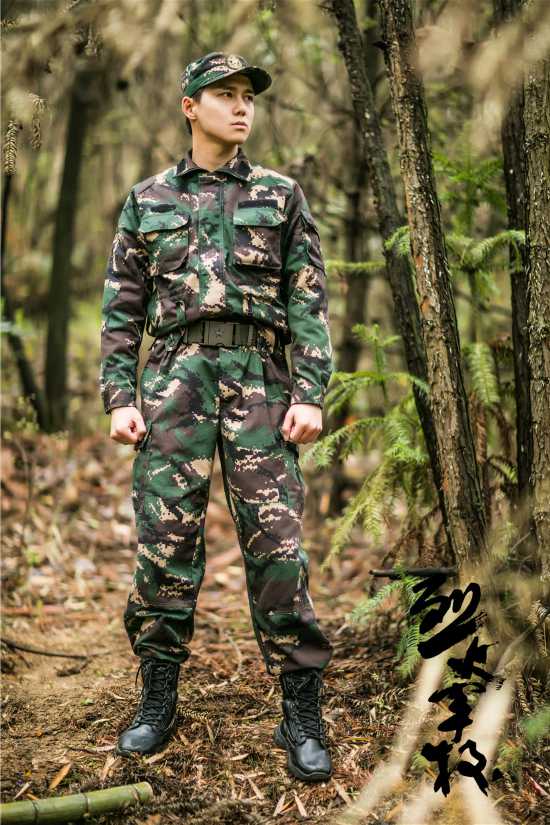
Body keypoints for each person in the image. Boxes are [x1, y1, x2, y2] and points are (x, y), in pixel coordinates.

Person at [99, 51, 334, 783]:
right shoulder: (148, 200)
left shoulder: (280, 195)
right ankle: (157, 696)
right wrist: (120, 397)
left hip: (260, 381)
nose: (240, 107)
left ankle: (300, 709)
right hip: (175, 383)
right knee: (164, 543)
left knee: (278, 547)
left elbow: (308, 300)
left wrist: (310, 392)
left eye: (248, 97)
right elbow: (121, 310)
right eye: (224, 95)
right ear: (189, 106)